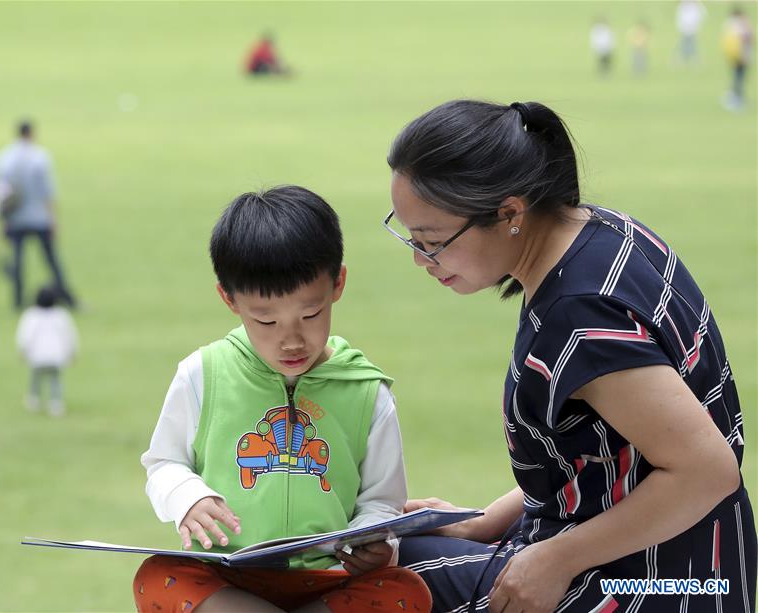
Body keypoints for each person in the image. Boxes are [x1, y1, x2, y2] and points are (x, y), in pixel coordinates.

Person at [382, 100, 755, 612]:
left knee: (385, 578)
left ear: (510, 212)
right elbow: (605, 459)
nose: (419, 259)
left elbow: (706, 471)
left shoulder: (579, 316)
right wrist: (491, 519)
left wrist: (554, 560)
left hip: (657, 586)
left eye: (432, 241)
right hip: (688, 565)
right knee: (402, 552)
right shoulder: (600, 232)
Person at [134, 186, 431, 612]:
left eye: (310, 315)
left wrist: (374, 540)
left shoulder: (368, 391)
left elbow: (382, 502)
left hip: (327, 580)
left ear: (337, 284)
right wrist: (188, 497)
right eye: (265, 320)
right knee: (158, 577)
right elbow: (164, 463)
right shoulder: (202, 375)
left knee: (405, 591)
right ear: (229, 299)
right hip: (229, 576)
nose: (291, 339)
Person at [0, 120, 77, 310]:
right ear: (32, 133)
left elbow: (0, 193)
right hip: (39, 217)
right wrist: (53, 219)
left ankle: (17, 301)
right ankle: (67, 297)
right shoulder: (40, 157)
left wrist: (2, 221)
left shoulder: (4, 158)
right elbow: (48, 192)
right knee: (51, 260)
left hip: (15, 219)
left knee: (18, 262)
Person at [15, 285, 78, 416]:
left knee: (36, 377)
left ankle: (34, 400)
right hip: (56, 356)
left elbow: (25, 335)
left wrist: (23, 351)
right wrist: (72, 353)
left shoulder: (31, 315)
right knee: (55, 379)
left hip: (37, 356)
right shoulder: (61, 316)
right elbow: (69, 335)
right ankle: (56, 404)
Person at [721, 5, 754, 111]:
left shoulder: (730, 24)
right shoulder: (739, 26)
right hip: (740, 57)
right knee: (739, 78)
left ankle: (735, 97)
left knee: (738, 78)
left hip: (735, 56)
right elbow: (747, 39)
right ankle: (736, 99)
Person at [676, 0, 707, 65]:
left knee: (693, 45)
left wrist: (697, 25)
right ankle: (682, 59)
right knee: (684, 45)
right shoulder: (683, 5)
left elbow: (701, 14)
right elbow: (680, 16)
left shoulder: (696, 5)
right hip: (685, 28)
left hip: (693, 28)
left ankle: (694, 59)